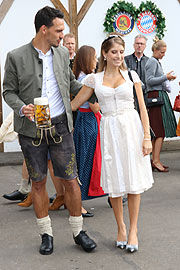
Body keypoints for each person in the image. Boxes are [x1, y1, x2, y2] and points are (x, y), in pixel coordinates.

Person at [3, 6, 96, 255]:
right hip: (32, 129)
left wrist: (96, 84)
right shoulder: (15, 56)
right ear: (44, 30)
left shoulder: (63, 54)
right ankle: (46, 234)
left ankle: (78, 231)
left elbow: (72, 84)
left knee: (71, 180)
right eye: (58, 30)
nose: (62, 35)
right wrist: (22, 108)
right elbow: (7, 91)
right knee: (38, 182)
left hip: (60, 126)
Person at [71, 33, 154, 253]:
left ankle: (134, 229)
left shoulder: (132, 75)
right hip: (108, 129)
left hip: (131, 128)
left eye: (120, 52)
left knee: (133, 180)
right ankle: (121, 227)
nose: (118, 56)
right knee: (115, 180)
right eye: (114, 52)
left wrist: (147, 137)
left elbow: (143, 109)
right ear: (105, 55)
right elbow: (74, 104)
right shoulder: (93, 80)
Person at [73, 45, 105, 216]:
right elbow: (94, 106)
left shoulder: (80, 76)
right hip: (88, 121)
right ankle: (78, 202)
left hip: (84, 120)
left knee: (84, 160)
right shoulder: (88, 79)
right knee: (85, 162)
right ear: (87, 59)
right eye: (94, 57)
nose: (96, 60)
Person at [145, 38, 177, 172]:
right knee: (159, 131)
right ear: (156, 50)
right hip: (155, 97)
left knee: (159, 131)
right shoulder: (152, 61)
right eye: (162, 52)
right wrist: (166, 77)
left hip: (158, 96)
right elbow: (149, 80)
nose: (164, 54)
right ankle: (156, 161)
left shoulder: (155, 61)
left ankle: (155, 160)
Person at [125, 35, 149, 106]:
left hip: (145, 97)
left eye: (142, 44)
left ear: (145, 46)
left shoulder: (149, 61)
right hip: (130, 97)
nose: (139, 45)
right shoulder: (125, 60)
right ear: (133, 45)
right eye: (137, 43)